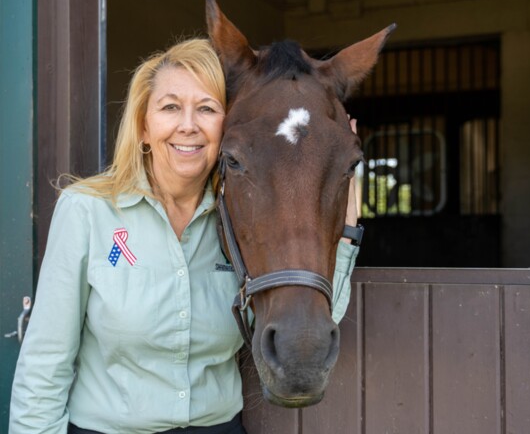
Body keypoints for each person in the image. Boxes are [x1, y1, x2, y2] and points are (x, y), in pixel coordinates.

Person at [9, 38, 359, 434]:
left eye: (207, 109)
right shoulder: (87, 212)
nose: (188, 125)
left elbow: (300, 311)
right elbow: (45, 364)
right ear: (143, 126)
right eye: (170, 107)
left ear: (226, 125)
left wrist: (345, 234)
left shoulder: (238, 218)